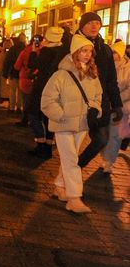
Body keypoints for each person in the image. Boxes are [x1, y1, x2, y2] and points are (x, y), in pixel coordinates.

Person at [41, 34, 102, 214]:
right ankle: (74, 198)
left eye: (89, 51)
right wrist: (61, 115)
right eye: (83, 51)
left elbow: (98, 96)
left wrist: (95, 109)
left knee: (71, 157)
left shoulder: (92, 74)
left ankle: (60, 186)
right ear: (75, 52)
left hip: (82, 123)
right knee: (71, 160)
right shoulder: (61, 74)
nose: (87, 55)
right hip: (64, 124)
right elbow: (47, 100)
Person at [74, 13, 123, 167]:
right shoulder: (72, 45)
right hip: (76, 103)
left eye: (97, 23)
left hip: (100, 102)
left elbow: (111, 80)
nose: (94, 26)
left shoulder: (105, 49)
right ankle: (67, 177)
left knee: (101, 139)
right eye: (90, 23)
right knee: (72, 146)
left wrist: (117, 104)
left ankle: (78, 166)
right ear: (82, 25)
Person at [26, 27, 64, 159]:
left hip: (42, 85)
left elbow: (32, 64)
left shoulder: (47, 51)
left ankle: (40, 143)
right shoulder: (62, 50)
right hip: (57, 86)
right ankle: (48, 146)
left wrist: (34, 51)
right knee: (49, 116)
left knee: (34, 113)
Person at [100, 41, 130, 174]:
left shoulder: (128, 68)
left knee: (115, 136)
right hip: (105, 106)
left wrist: (121, 102)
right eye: (111, 52)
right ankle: (104, 156)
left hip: (121, 107)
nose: (113, 55)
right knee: (103, 134)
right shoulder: (105, 66)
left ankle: (108, 162)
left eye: (115, 53)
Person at [3, 34, 26, 112]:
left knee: (12, 90)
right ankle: (19, 106)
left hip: (13, 72)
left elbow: (7, 61)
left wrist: (5, 72)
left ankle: (12, 107)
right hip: (22, 72)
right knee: (20, 91)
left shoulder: (13, 48)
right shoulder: (25, 49)